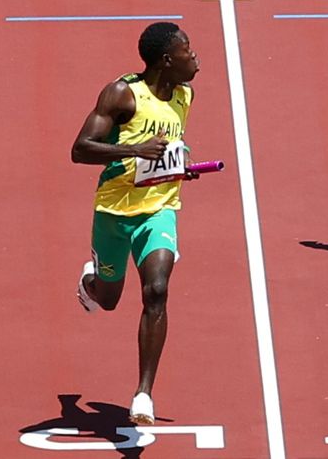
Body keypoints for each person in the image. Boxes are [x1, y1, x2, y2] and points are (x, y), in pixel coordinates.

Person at [71, 22, 200, 424]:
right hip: (113, 212)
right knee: (109, 299)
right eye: (187, 50)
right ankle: (89, 281)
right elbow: (80, 150)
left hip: (158, 208)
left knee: (157, 291)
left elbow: (163, 154)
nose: (194, 56)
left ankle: (143, 394)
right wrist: (135, 148)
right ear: (166, 60)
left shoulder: (185, 95)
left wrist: (176, 167)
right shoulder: (122, 94)